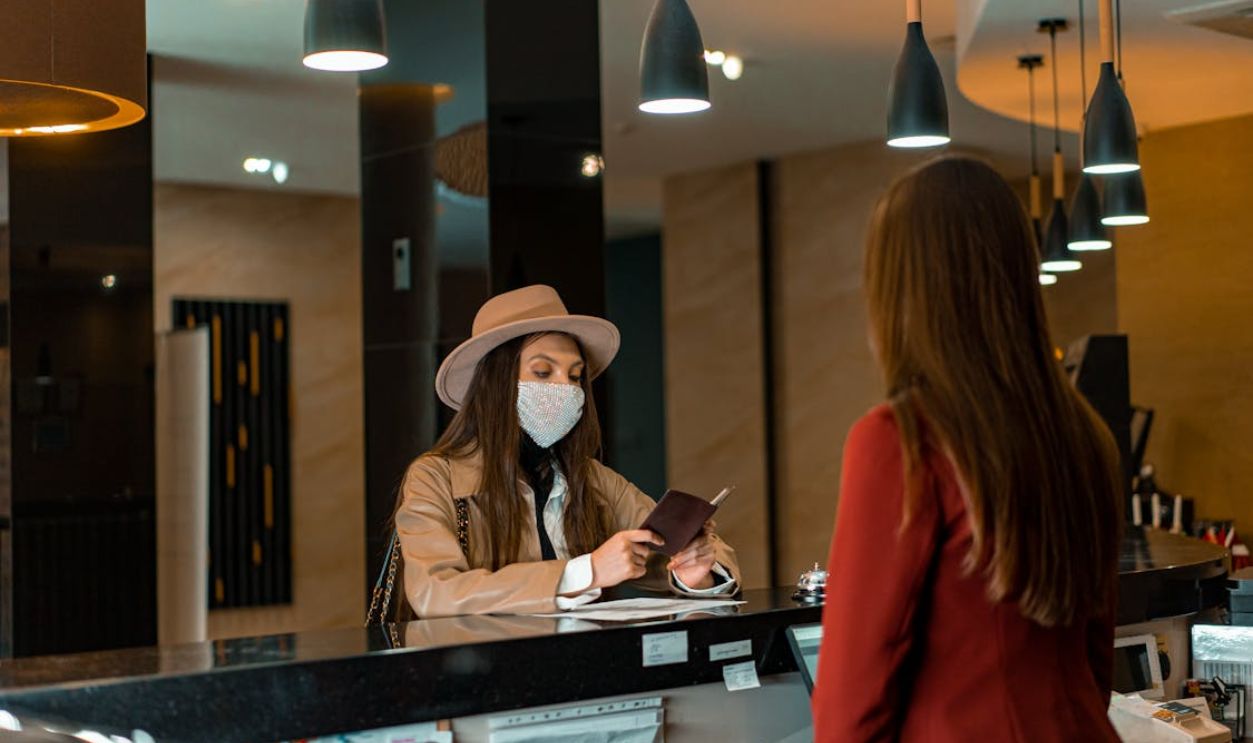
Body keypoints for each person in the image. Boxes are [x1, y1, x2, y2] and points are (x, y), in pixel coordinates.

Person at [812, 158, 1122, 742]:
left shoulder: (900, 441)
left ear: (899, 289)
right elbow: (1094, 662)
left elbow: (852, 699)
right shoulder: (1086, 436)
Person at [386, 284, 739, 620]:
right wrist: (587, 571)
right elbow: (434, 591)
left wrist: (696, 575)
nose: (564, 388)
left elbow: (683, 551)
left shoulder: (592, 478)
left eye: (574, 376)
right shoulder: (435, 477)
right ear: (496, 383)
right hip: (482, 675)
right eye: (542, 371)